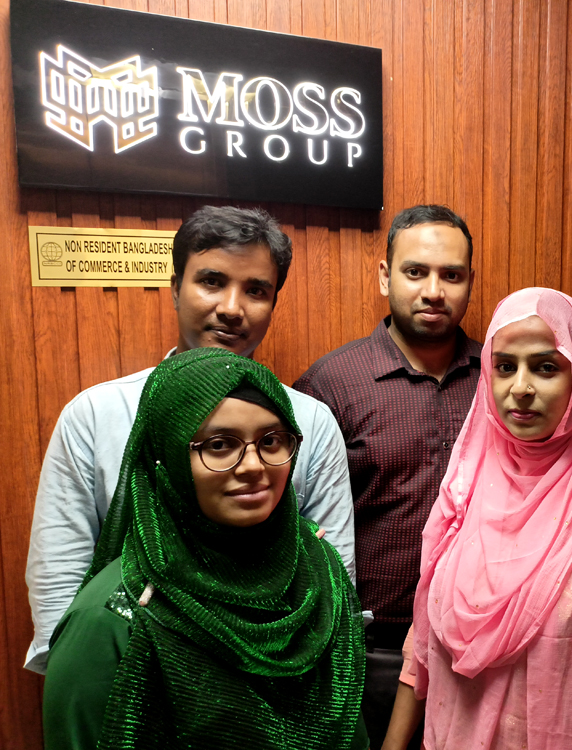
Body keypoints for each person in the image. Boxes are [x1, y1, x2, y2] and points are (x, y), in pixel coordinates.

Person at [25, 206, 355, 674]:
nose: (232, 308)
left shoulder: (311, 422)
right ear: (176, 287)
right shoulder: (97, 416)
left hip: (274, 684)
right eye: (212, 281)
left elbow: (331, 577)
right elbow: (60, 582)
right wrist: (80, 678)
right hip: (130, 678)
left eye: (256, 290)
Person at [383, 287, 572, 750]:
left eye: (546, 367)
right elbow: (424, 640)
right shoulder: (466, 486)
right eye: (505, 366)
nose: (521, 388)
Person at [42, 348, 367, 750]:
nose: (254, 466)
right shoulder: (111, 619)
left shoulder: (319, 577)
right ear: (169, 456)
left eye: (271, 440)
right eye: (219, 445)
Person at [294, 205, 480, 748]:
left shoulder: (499, 377)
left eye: (451, 275)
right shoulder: (332, 384)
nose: (434, 291)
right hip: (371, 649)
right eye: (415, 272)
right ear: (385, 276)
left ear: (470, 282)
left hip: (477, 645)